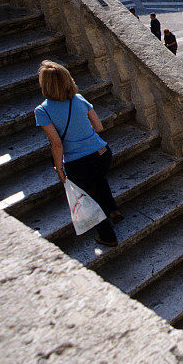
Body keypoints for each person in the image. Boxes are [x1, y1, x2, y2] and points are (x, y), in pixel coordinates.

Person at [35, 61, 120, 247]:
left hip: (78, 162)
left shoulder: (42, 111)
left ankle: (108, 236)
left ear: (45, 85)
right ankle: (113, 210)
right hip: (103, 153)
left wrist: (59, 169)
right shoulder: (79, 99)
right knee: (99, 179)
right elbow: (99, 126)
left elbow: (56, 144)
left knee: (91, 198)